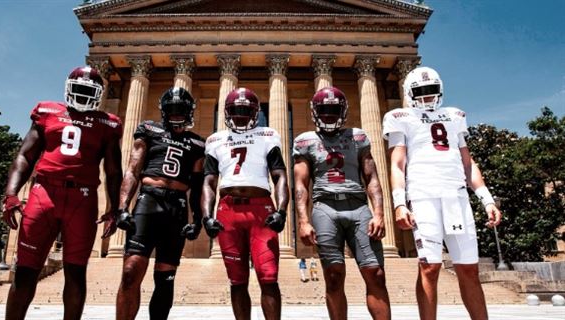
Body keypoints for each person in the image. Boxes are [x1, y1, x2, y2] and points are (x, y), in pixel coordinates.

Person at [1, 66, 123, 320]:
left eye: (88, 91)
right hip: (44, 192)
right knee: (25, 271)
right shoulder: (47, 112)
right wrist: (11, 194)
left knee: (76, 272)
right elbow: (25, 156)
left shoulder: (107, 124)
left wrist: (115, 209)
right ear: (68, 88)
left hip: (83, 197)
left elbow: (114, 172)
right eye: (78, 89)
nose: (82, 96)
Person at [383, 66, 501, 320]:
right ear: (409, 93)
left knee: (469, 269)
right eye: (420, 92)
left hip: (456, 195)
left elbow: (468, 163)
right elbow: (397, 163)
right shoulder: (400, 116)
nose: (426, 97)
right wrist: (399, 203)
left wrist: (487, 199)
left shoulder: (454, 115)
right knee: (429, 266)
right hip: (424, 195)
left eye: (431, 92)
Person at [293, 87, 391, 320]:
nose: (329, 115)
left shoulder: (358, 137)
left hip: (358, 206)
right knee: (334, 276)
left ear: (343, 111)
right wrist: (303, 220)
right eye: (324, 110)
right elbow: (300, 185)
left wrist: (379, 213)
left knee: (375, 273)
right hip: (325, 207)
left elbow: (372, 177)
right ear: (315, 112)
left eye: (334, 110)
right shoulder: (305, 141)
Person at [114, 87, 206, 320]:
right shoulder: (148, 129)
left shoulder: (197, 143)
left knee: (165, 279)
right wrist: (122, 208)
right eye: (172, 110)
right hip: (149, 200)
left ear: (189, 112)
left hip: (177, 207)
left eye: (181, 110)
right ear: (164, 111)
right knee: (130, 270)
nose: (176, 114)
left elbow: (197, 186)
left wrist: (197, 219)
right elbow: (133, 170)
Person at [201, 87, 289, 320]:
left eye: (245, 110)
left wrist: (282, 211)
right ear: (227, 112)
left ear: (256, 113)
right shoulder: (214, 140)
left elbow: (280, 175)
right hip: (228, 210)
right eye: (236, 110)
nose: (240, 115)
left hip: (261, 209)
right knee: (237, 280)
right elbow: (209, 183)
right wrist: (207, 216)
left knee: (268, 277)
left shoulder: (268, 134)